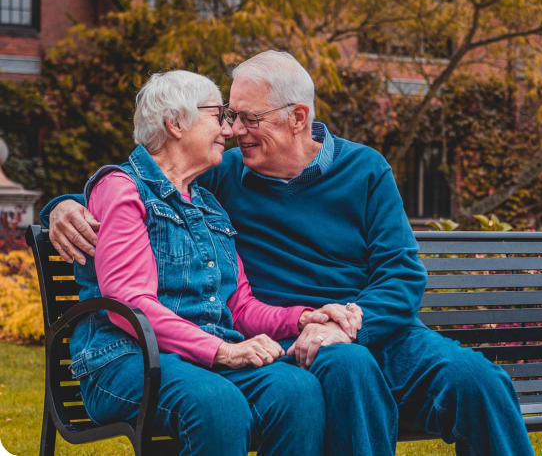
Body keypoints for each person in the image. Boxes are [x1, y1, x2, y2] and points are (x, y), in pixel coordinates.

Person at [43, 51, 535, 456]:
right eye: (229, 116)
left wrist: (346, 321)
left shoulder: (365, 169)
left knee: (478, 382)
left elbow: (402, 273)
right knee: (348, 369)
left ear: (299, 117)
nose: (234, 130)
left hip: (370, 324)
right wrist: (62, 205)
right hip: (293, 338)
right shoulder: (224, 176)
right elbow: (147, 181)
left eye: (248, 118)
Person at [61, 69, 365, 456]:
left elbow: (239, 305)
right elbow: (129, 307)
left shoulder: (209, 206)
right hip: (127, 359)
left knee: (298, 391)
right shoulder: (122, 190)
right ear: (174, 123)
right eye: (217, 115)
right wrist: (222, 352)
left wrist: (304, 317)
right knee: (217, 404)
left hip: (201, 359)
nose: (230, 129)